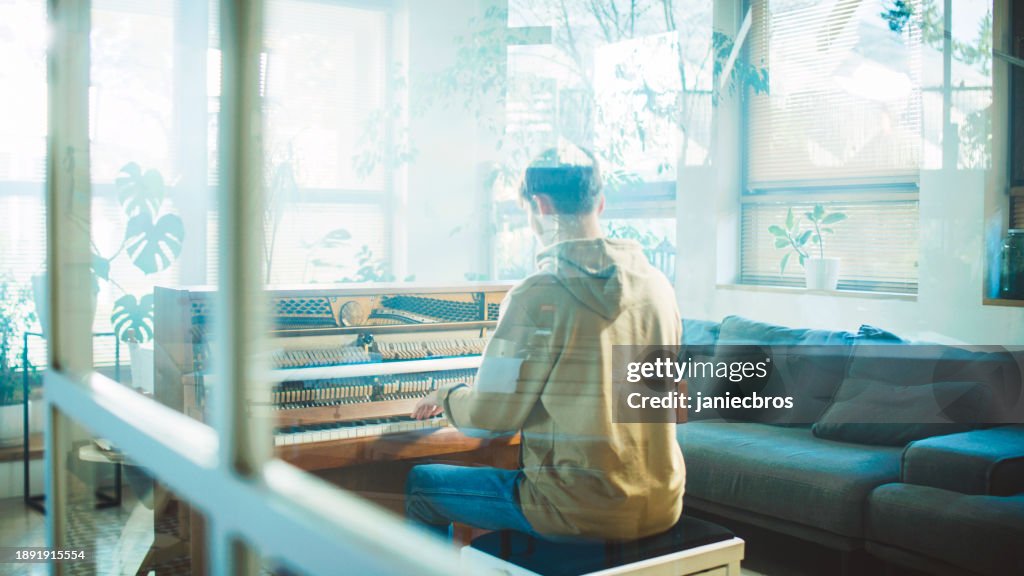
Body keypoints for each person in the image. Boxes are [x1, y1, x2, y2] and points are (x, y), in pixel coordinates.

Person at [407, 145, 684, 542]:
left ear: (541, 206)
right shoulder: (659, 287)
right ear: (600, 204)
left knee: (422, 485)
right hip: (663, 501)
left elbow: (489, 418)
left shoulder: (538, 295)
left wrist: (447, 394)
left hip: (579, 509)